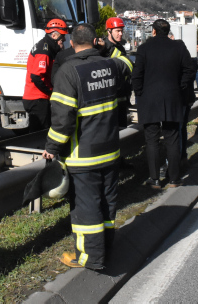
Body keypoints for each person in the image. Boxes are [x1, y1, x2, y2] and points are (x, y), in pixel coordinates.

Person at [42, 23, 131, 270]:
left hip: (83, 156)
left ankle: (89, 257)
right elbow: (128, 63)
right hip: (110, 151)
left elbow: (63, 120)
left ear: (72, 44)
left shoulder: (68, 72)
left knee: (86, 208)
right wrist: (108, 48)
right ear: (95, 42)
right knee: (107, 203)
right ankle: (106, 248)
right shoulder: (111, 65)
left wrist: (52, 147)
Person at [132, 19, 196, 189]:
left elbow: (137, 75)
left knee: (152, 139)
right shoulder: (178, 47)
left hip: (149, 99)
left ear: (153, 31)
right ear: (168, 32)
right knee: (172, 138)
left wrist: (139, 93)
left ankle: (154, 179)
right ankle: (174, 178)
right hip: (173, 98)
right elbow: (190, 69)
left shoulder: (144, 48)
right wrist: (180, 86)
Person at [23, 19, 68, 132]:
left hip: (37, 98)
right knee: (40, 134)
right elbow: (36, 76)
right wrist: (51, 91)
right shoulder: (44, 51)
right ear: (54, 36)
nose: (64, 40)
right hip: (37, 99)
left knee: (39, 133)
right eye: (62, 37)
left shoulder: (46, 47)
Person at [100, 17, 134, 128]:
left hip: (122, 95)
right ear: (109, 31)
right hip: (110, 97)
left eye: (121, 31)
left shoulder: (119, 47)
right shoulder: (103, 48)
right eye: (117, 31)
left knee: (122, 127)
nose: (121, 34)